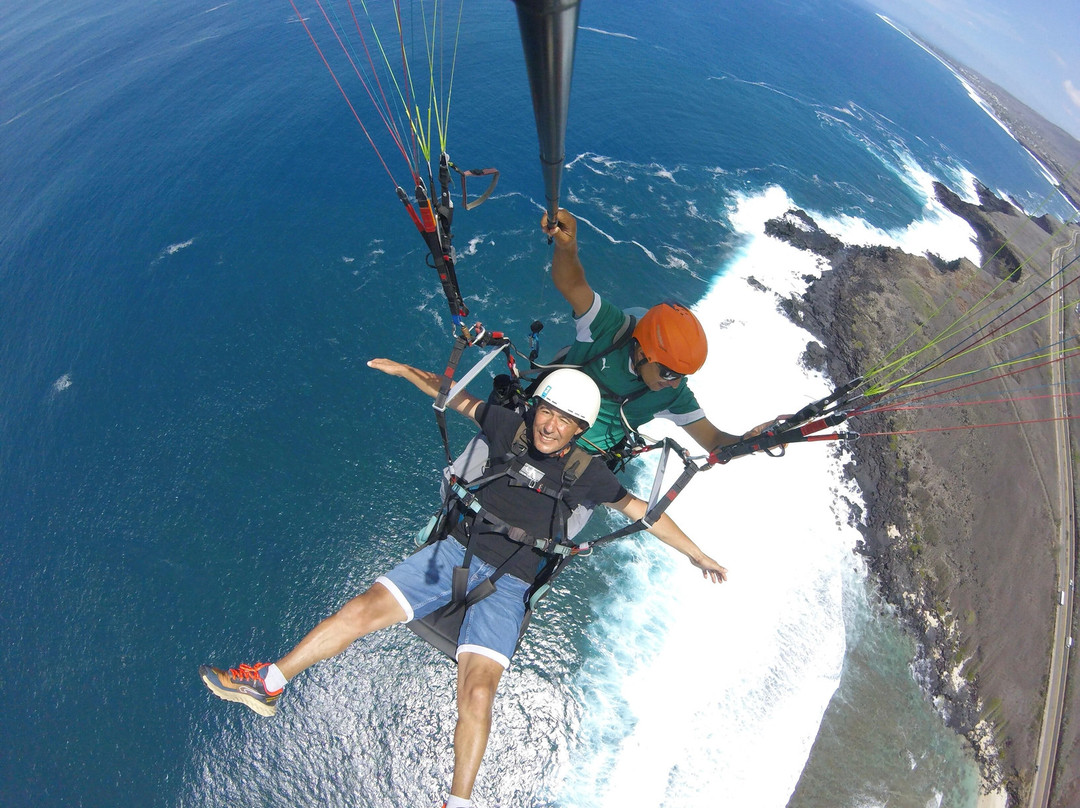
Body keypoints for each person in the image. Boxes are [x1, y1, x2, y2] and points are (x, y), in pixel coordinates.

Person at [200, 359, 727, 808]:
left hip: (510, 584)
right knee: (359, 610)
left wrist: (697, 554)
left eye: (564, 421)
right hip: (455, 551)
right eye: (546, 412)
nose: (549, 426)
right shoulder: (508, 428)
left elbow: (645, 513)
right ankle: (268, 682)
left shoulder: (590, 474)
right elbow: (455, 396)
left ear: (578, 429)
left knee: (477, 693)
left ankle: (459, 803)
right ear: (536, 408)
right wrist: (404, 371)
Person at [542, 208, 773, 457]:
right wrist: (566, 244)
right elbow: (572, 284)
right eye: (669, 373)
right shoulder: (608, 328)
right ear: (643, 352)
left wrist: (754, 442)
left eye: (682, 376)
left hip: (580, 460)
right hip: (541, 427)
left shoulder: (672, 394)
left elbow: (715, 441)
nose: (674, 383)